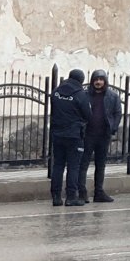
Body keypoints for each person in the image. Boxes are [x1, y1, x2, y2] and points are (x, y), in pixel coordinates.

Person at [48, 68, 91, 206]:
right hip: (74, 134)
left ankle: (56, 196)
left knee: (58, 165)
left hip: (57, 133)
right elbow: (88, 115)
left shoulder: (56, 92)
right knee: (73, 166)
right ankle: (71, 196)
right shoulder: (80, 95)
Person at [81, 70, 123, 203]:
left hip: (103, 135)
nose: (98, 82)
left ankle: (99, 191)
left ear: (105, 81)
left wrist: (113, 127)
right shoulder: (85, 95)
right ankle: (82, 192)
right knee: (83, 164)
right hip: (88, 135)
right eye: (96, 79)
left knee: (101, 164)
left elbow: (117, 113)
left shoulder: (112, 96)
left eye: (101, 79)